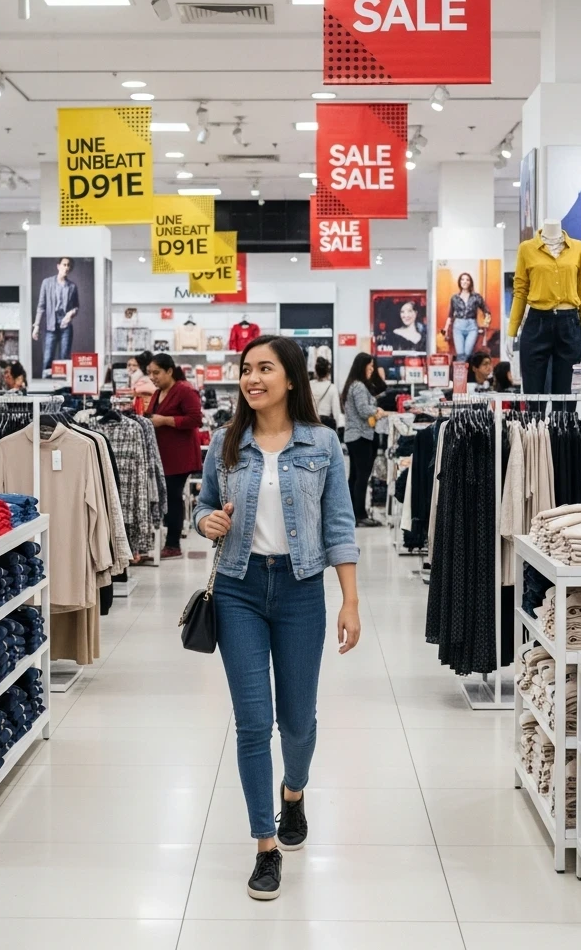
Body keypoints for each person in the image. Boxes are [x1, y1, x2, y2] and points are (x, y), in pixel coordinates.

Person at [193, 335, 360, 902]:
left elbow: (339, 524)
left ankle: (295, 791)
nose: (252, 378)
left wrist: (351, 601)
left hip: (300, 589)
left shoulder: (322, 443)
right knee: (251, 723)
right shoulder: (225, 442)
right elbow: (203, 504)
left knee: (297, 721)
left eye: (264, 368)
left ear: (291, 378)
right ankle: (265, 845)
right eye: (245, 369)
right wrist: (206, 522)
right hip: (238, 589)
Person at [146, 353, 203, 559]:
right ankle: (168, 541)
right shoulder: (159, 392)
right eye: (150, 373)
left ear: (169, 371)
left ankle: (173, 544)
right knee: (167, 497)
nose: (152, 377)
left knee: (172, 498)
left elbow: (196, 419)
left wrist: (165, 421)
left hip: (180, 456)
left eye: (156, 372)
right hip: (164, 455)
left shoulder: (184, 390)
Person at [342, 353, 384, 527]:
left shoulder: (353, 385)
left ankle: (353, 513)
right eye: (370, 367)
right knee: (362, 477)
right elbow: (363, 409)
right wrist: (377, 410)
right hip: (360, 435)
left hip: (354, 436)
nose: (372, 370)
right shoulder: (359, 386)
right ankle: (360, 514)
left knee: (354, 477)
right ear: (363, 366)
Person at [32, 257, 79, 377]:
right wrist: (36, 325)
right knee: (48, 359)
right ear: (58, 266)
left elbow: (76, 306)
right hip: (50, 325)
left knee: (65, 359)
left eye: (69, 265)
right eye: (64, 264)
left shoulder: (72, 286)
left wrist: (71, 314)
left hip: (66, 326)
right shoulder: (47, 283)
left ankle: (63, 389)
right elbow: (41, 306)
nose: (67, 268)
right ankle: (46, 389)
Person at [444, 272, 492, 363]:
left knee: (468, 353)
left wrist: (485, 323)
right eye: (462, 279)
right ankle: (460, 376)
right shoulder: (454, 298)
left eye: (467, 279)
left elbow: (486, 311)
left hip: (472, 327)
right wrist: (446, 329)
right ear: (459, 282)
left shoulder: (476, 297)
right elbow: (450, 315)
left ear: (470, 282)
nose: (464, 281)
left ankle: (468, 376)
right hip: (458, 327)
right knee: (460, 354)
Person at [309, 356, 341, 430]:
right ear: (328, 373)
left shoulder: (309, 385)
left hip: (311, 422)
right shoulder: (332, 387)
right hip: (326, 424)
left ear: (316, 371)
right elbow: (336, 411)